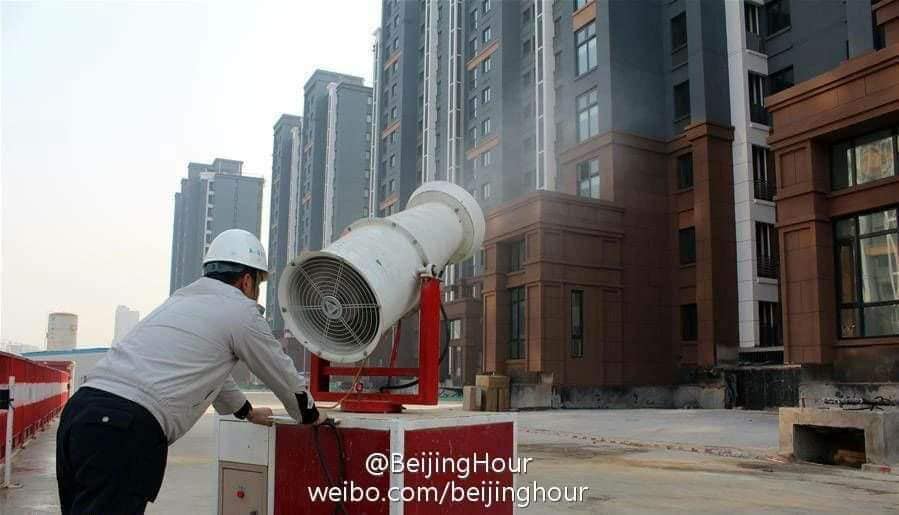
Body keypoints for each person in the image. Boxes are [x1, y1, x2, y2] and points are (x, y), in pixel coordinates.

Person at [56, 229, 321, 514]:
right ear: (247, 281)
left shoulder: (179, 302)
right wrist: (311, 415)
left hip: (78, 413)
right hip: (124, 428)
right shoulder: (240, 312)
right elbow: (281, 372)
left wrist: (247, 411)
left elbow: (210, 377)